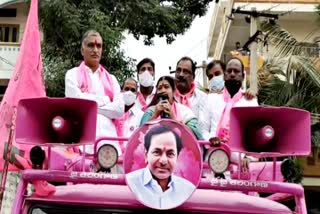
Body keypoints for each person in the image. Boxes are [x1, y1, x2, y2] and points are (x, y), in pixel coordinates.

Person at [65, 30, 124, 155]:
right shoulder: (72, 74)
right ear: (82, 50)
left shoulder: (112, 79)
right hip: (80, 145)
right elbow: (76, 103)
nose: (95, 50)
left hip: (109, 147)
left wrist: (89, 106)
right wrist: (106, 100)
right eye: (91, 45)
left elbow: (119, 110)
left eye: (99, 46)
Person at [201, 57, 259, 170]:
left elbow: (254, 136)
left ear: (242, 76)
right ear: (224, 75)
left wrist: (249, 158)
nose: (232, 74)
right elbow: (202, 130)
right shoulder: (211, 99)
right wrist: (211, 139)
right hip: (212, 160)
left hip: (240, 164)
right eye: (229, 71)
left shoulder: (250, 101)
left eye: (236, 71)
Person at [126, 125, 196, 209]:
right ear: (146, 155)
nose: (163, 161)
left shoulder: (187, 189)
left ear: (177, 157)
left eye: (170, 154)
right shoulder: (130, 184)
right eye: (157, 152)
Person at [140, 76, 203, 140]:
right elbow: (139, 135)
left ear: (173, 91)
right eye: (159, 88)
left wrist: (174, 119)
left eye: (166, 87)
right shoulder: (151, 111)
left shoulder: (185, 111)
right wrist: (155, 116)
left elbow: (195, 136)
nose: (163, 90)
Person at [114, 78, 143, 153]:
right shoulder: (112, 112)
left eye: (133, 90)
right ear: (121, 91)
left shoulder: (141, 116)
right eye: (126, 89)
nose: (129, 92)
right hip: (111, 157)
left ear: (136, 95)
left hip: (132, 158)